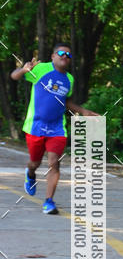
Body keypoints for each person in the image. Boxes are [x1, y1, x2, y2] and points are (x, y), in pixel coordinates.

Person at [11, 44, 98, 214]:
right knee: (34, 162)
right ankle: (30, 174)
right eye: (61, 53)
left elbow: (65, 101)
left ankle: (49, 201)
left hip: (57, 128)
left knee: (54, 164)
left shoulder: (69, 80)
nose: (65, 56)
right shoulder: (41, 69)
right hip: (35, 126)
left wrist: (83, 111)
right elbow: (14, 76)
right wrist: (23, 69)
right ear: (53, 56)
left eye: (68, 55)